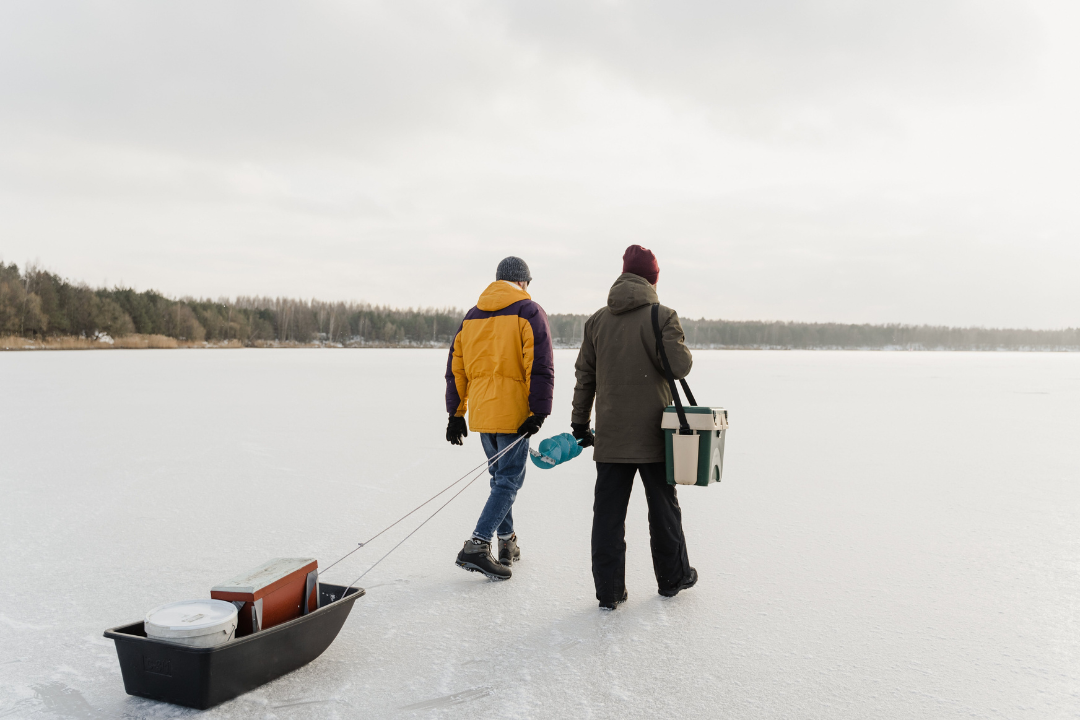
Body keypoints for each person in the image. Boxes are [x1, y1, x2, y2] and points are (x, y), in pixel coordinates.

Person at [570, 245, 698, 609]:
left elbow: (585, 378)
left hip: (610, 438)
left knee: (608, 517)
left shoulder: (596, 320)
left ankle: (609, 592)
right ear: (652, 279)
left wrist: (580, 422)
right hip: (656, 435)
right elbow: (680, 367)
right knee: (663, 509)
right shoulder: (662, 316)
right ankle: (673, 579)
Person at [445, 256, 554, 580]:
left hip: (483, 415)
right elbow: (540, 365)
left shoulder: (472, 316)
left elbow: (456, 370)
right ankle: (478, 545)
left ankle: (507, 543)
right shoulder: (528, 312)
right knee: (508, 482)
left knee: (499, 480)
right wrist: (538, 412)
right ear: (521, 282)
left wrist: (456, 414)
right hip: (513, 417)